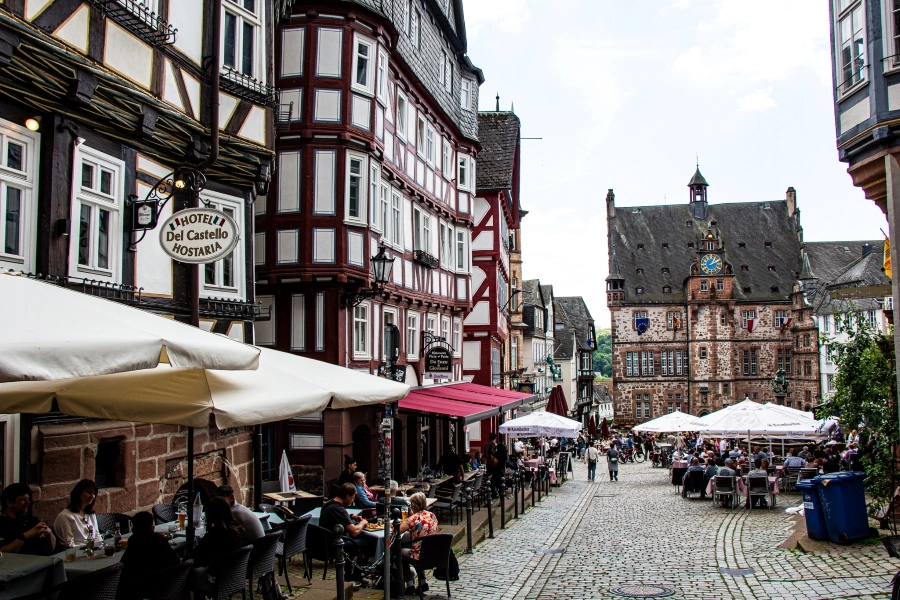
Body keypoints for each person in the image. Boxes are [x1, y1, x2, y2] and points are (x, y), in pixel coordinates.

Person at [320, 484, 377, 582]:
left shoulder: (330, 503)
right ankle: (354, 575)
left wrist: (351, 516)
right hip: (334, 544)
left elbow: (339, 518)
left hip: (328, 539)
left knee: (365, 538)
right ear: (347, 496)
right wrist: (363, 522)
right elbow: (355, 531)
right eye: (352, 498)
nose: (352, 501)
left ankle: (355, 573)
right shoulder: (338, 509)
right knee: (368, 543)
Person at [118, 511, 178, 599]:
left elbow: (123, 568)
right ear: (152, 528)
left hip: (146, 588)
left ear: (133, 529)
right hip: (169, 586)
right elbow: (175, 561)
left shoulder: (135, 542)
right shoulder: (160, 540)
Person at [399, 492, 439, 593]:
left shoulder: (414, 518)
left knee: (400, 552)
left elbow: (398, 530)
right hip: (434, 554)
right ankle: (423, 582)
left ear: (413, 505)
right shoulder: (432, 515)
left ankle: (410, 584)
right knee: (418, 549)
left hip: (420, 556)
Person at [0, 483, 55, 555]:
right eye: (22, 499)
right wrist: (26, 535)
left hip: (47, 561)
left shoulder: (31, 520)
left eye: (28, 499)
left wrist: (49, 533)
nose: (28, 502)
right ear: (9, 503)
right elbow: (3, 552)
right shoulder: (2, 524)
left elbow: (52, 548)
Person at [54, 479, 102, 547]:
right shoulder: (65, 516)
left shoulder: (90, 514)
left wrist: (101, 548)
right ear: (79, 493)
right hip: (77, 554)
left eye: (94, 493)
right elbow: (69, 544)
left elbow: (97, 536)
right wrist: (88, 549)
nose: (92, 496)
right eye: (89, 492)